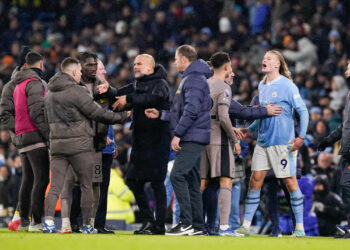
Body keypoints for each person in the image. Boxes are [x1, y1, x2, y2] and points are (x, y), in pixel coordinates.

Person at [43, 57, 128, 233]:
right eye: (80, 71)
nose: (81, 74)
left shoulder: (50, 92)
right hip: (80, 147)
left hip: (57, 146)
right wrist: (124, 117)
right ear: (75, 71)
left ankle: (50, 222)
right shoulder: (77, 91)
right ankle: (88, 225)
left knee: (57, 185)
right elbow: (98, 114)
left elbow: (45, 120)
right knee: (87, 185)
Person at [236, 50, 309, 237]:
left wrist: (301, 137)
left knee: (290, 183)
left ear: (277, 64)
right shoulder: (262, 86)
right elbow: (262, 115)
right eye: (264, 58)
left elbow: (303, 112)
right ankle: (245, 226)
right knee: (255, 181)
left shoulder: (288, 85)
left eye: (269, 58)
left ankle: (299, 228)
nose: (264, 60)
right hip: (263, 143)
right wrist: (249, 129)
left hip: (283, 144)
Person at [99, 54, 171, 235]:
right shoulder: (138, 84)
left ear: (150, 67)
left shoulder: (160, 83)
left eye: (139, 64)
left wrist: (129, 100)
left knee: (156, 183)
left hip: (157, 141)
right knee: (132, 181)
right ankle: (149, 220)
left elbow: (152, 99)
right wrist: (109, 90)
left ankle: (159, 226)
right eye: (134, 64)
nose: (135, 66)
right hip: (140, 141)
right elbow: (119, 94)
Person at [165, 45, 211, 236]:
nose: (174, 63)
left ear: (184, 59)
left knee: (176, 175)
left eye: (176, 59)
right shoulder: (193, 79)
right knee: (192, 181)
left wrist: (178, 134)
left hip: (191, 136)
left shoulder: (193, 80)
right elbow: (181, 112)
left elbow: (191, 111)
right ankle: (197, 226)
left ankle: (186, 222)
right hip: (193, 134)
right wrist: (160, 115)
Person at [199, 52, 242, 237]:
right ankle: (224, 227)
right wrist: (234, 139)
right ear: (226, 67)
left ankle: (189, 222)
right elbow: (223, 117)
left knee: (202, 182)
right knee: (226, 179)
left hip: (202, 137)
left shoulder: (203, 84)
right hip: (220, 140)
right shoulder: (224, 87)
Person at [12, 51, 50, 232]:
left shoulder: (18, 84)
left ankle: (24, 222)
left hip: (21, 136)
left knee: (27, 179)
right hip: (34, 136)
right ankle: (36, 222)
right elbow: (37, 112)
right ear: (41, 65)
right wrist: (48, 135)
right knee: (41, 179)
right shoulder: (34, 83)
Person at [0, 45, 32, 232]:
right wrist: (20, 130)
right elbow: (6, 114)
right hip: (26, 136)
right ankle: (21, 217)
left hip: (25, 135)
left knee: (31, 178)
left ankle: (20, 217)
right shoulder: (15, 85)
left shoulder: (18, 83)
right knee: (32, 178)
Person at [317, 60, 350, 238]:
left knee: (347, 186)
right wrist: (328, 140)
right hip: (346, 151)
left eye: (349, 66)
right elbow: (346, 125)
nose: (346, 69)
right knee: (344, 186)